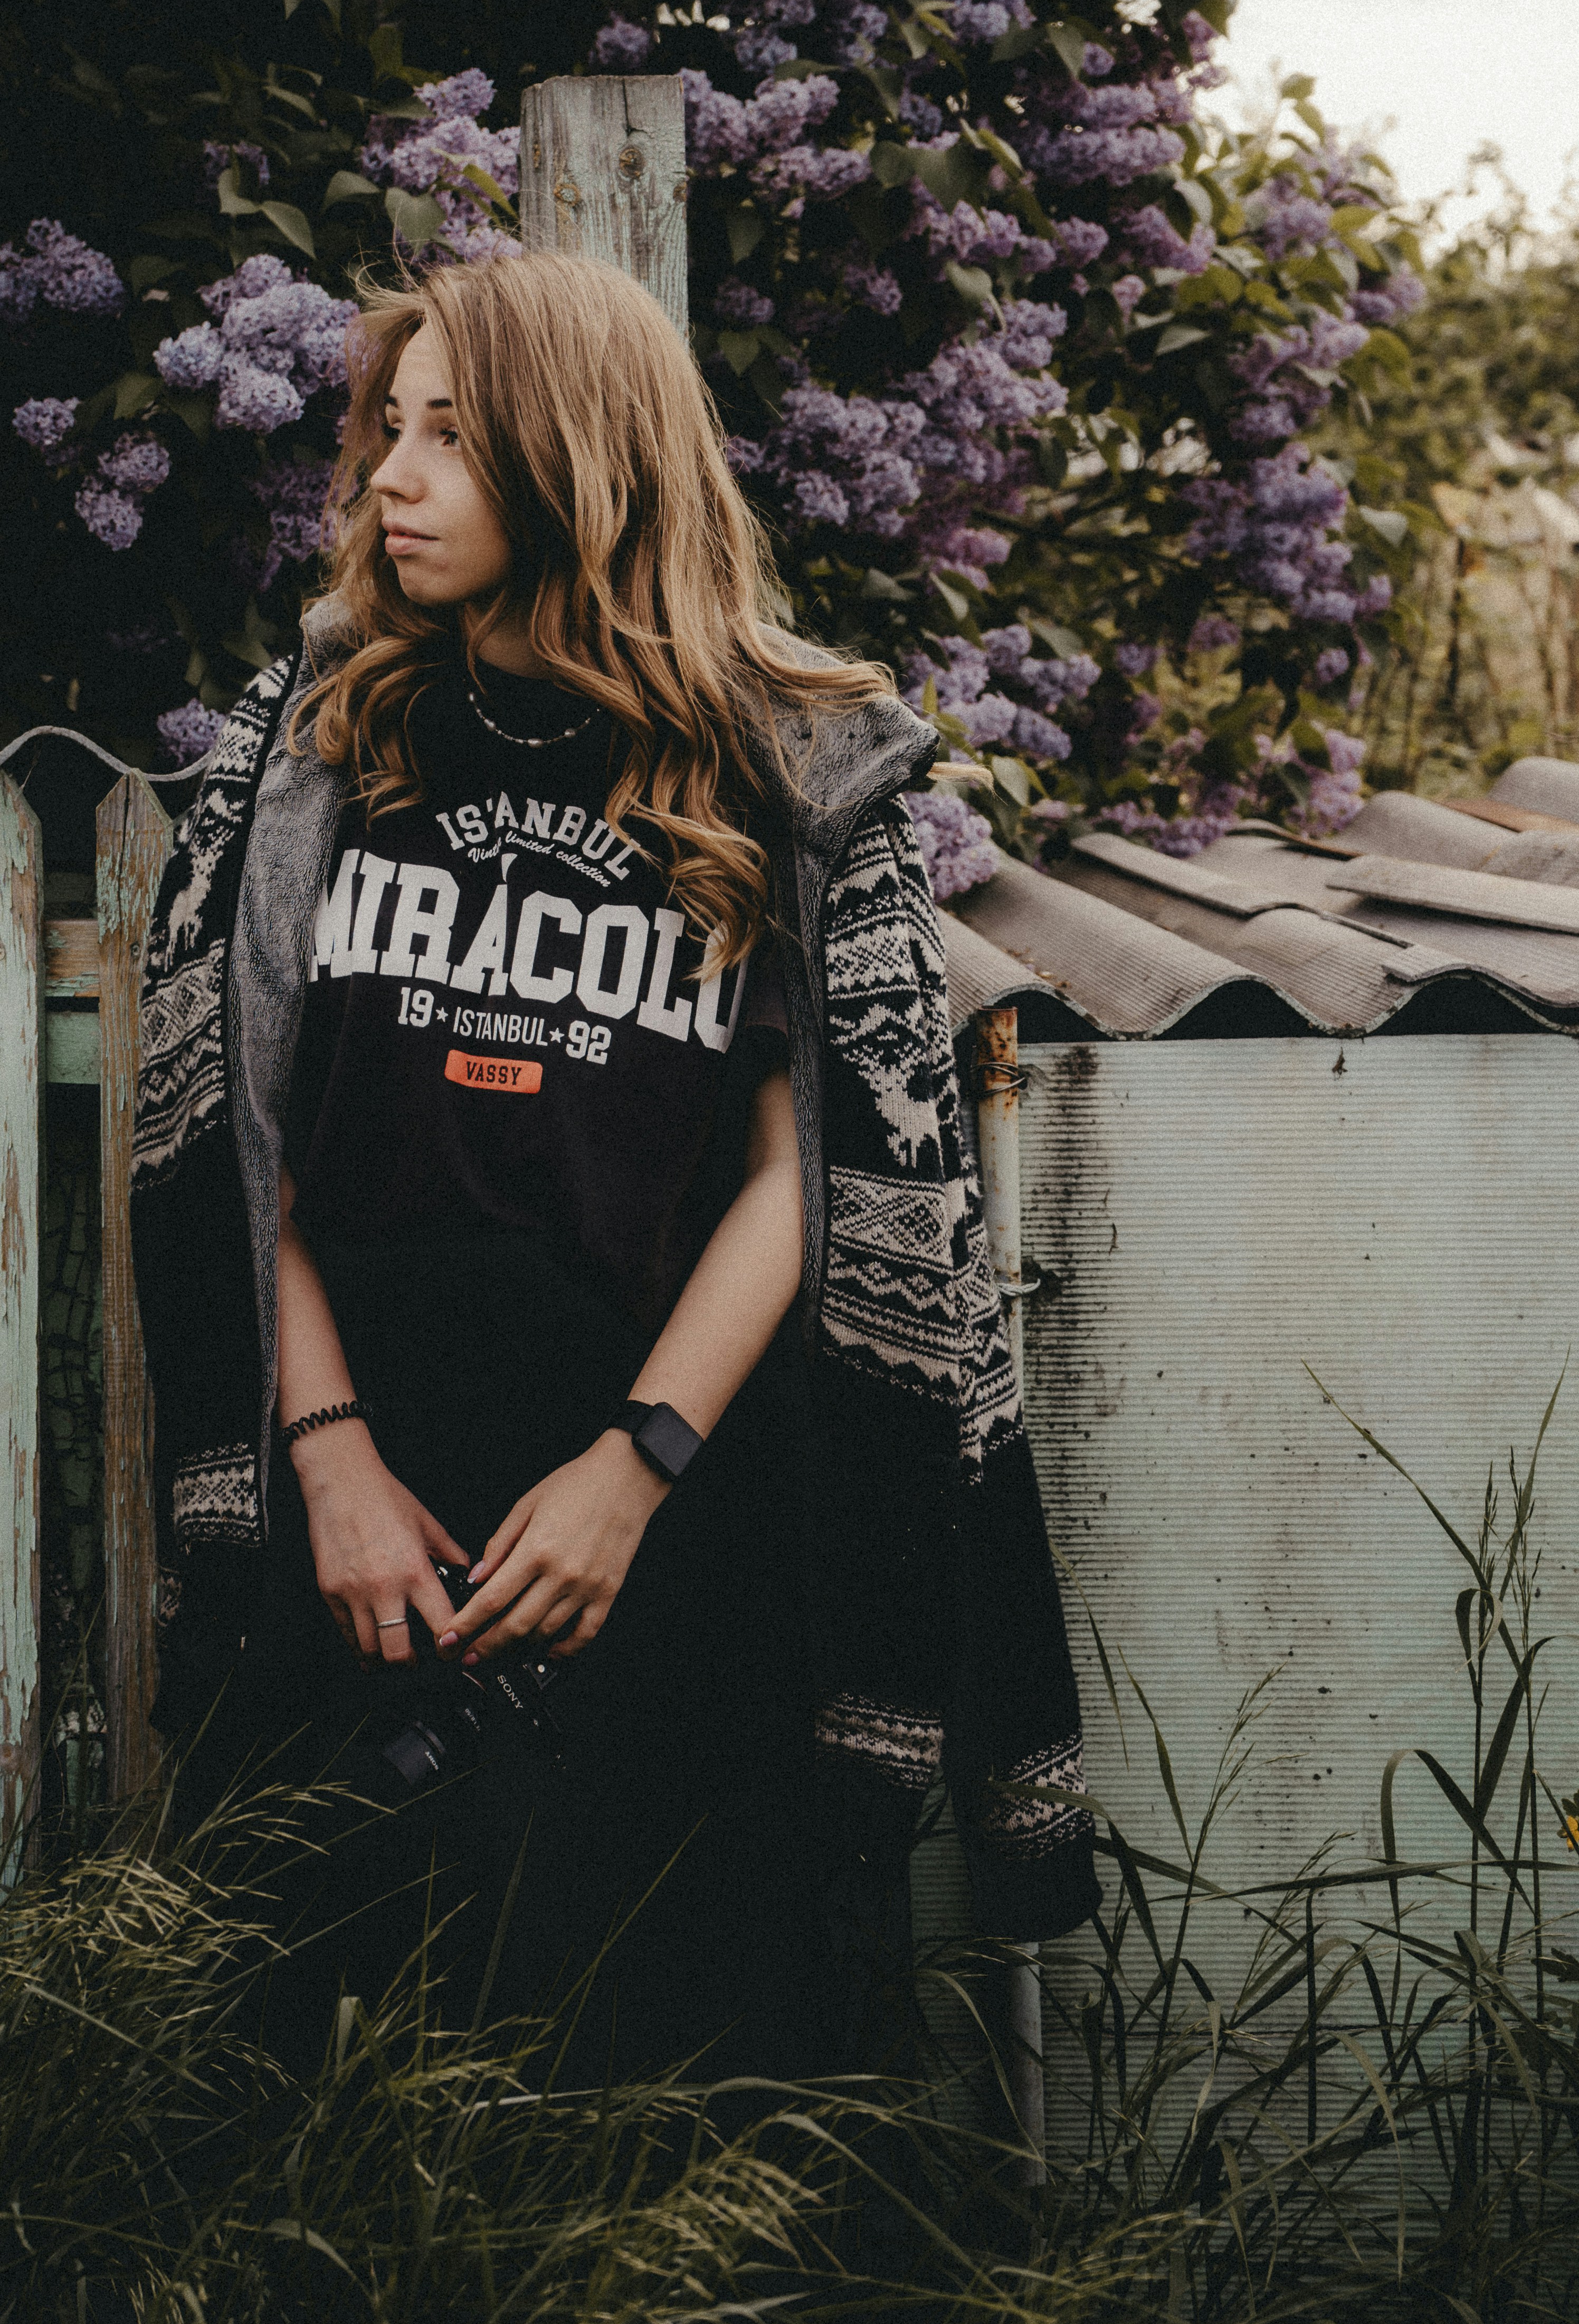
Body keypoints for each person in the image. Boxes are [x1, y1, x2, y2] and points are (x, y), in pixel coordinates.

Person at [130, 250, 1096, 2080]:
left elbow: (816, 1168)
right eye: (388, 432)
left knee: (659, 2057)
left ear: (578, 460)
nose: (390, 480)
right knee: (308, 2055)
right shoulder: (316, 747)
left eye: (449, 439)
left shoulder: (782, 770)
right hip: (367, 1493)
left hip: (669, 1503)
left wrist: (632, 1474)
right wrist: (327, 1461)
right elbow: (244, 1143)